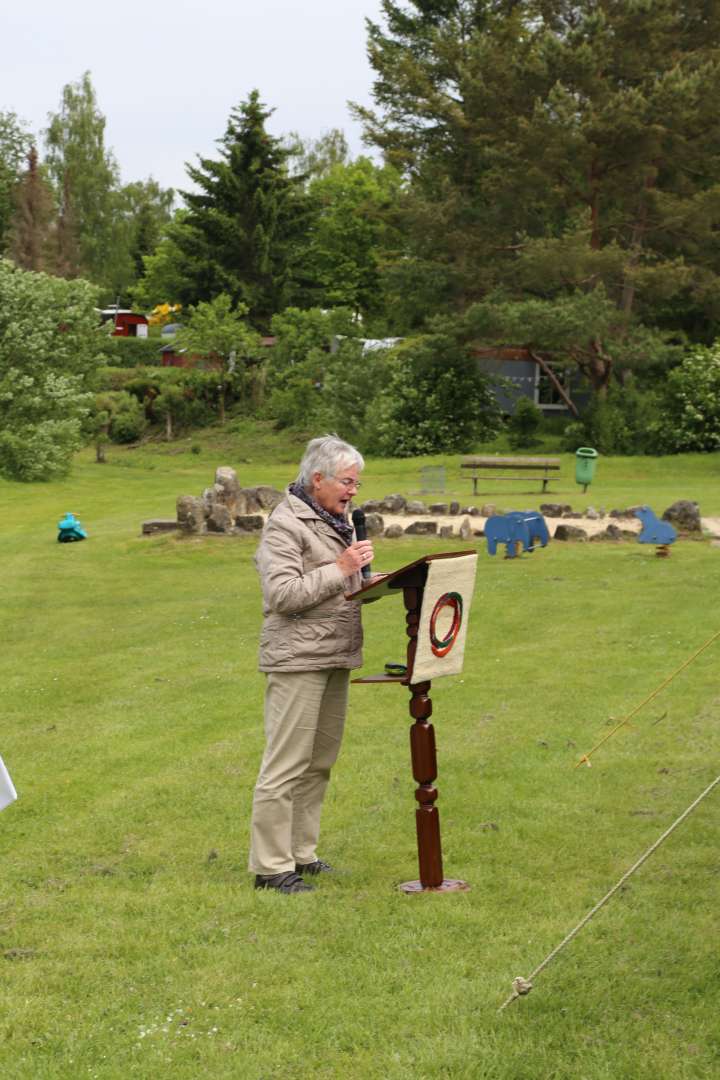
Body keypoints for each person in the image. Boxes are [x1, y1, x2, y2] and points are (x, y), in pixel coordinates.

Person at [248, 435, 374, 893]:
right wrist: (341, 569)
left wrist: (371, 579)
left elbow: (340, 583)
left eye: (357, 483)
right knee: (285, 765)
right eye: (347, 482)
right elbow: (281, 595)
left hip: (335, 653)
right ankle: (270, 868)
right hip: (297, 659)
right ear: (317, 479)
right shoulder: (285, 525)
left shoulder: (339, 521)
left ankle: (302, 855)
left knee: (318, 763)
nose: (353, 491)